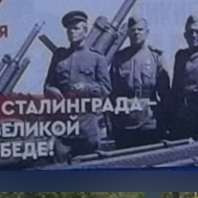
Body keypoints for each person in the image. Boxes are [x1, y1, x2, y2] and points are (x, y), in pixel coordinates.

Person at [42, 9, 111, 159]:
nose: (71, 32)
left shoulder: (96, 58)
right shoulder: (59, 57)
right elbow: (47, 85)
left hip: (87, 126)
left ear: (85, 31)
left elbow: (106, 89)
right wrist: (52, 90)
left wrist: (86, 87)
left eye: (76, 28)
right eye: (69, 29)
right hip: (62, 127)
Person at [108, 16, 169, 148]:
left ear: (147, 32)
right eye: (133, 30)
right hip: (124, 122)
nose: (136, 33)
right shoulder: (119, 58)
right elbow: (112, 93)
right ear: (128, 33)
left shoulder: (156, 57)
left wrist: (164, 121)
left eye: (140, 29)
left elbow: (165, 94)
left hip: (149, 121)